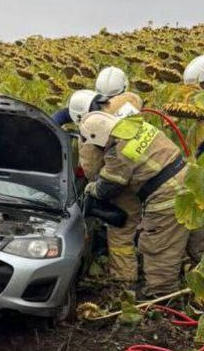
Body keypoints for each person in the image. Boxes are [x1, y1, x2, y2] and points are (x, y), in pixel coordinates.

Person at [80, 111, 189, 297]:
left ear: (97, 138)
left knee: (159, 247)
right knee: (197, 240)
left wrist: (91, 188)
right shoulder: (139, 126)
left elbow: (109, 188)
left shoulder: (117, 152)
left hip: (167, 197)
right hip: (190, 183)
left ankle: (161, 295)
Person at [67, 89, 143, 284]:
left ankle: (124, 281)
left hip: (122, 185)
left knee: (120, 235)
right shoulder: (122, 103)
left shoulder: (89, 138)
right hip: (147, 173)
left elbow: (93, 172)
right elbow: (137, 99)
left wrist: (92, 189)